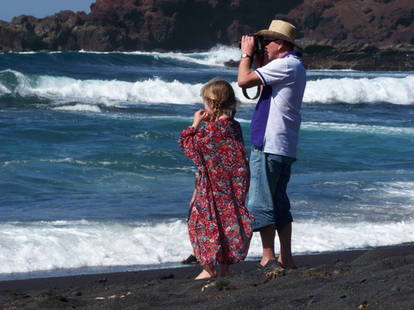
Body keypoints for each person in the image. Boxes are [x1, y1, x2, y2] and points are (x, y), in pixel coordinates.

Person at [237, 19, 307, 269]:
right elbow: (260, 78)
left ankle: (268, 256)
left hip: (269, 145)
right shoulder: (292, 65)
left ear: (282, 44)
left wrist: (246, 54)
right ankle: (285, 257)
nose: (264, 45)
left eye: (268, 41)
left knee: (260, 202)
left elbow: (243, 81)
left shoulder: (285, 66)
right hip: (284, 145)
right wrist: (257, 60)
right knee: (278, 202)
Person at [178, 78, 253, 279]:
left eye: (205, 103)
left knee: (202, 223)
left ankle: (208, 269)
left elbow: (188, 145)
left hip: (212, 189)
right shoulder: (234, 126)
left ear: (211, 104)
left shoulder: (210, 131)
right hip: (232, 188)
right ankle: (224, 270)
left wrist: (195, 123)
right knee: (226, 224)